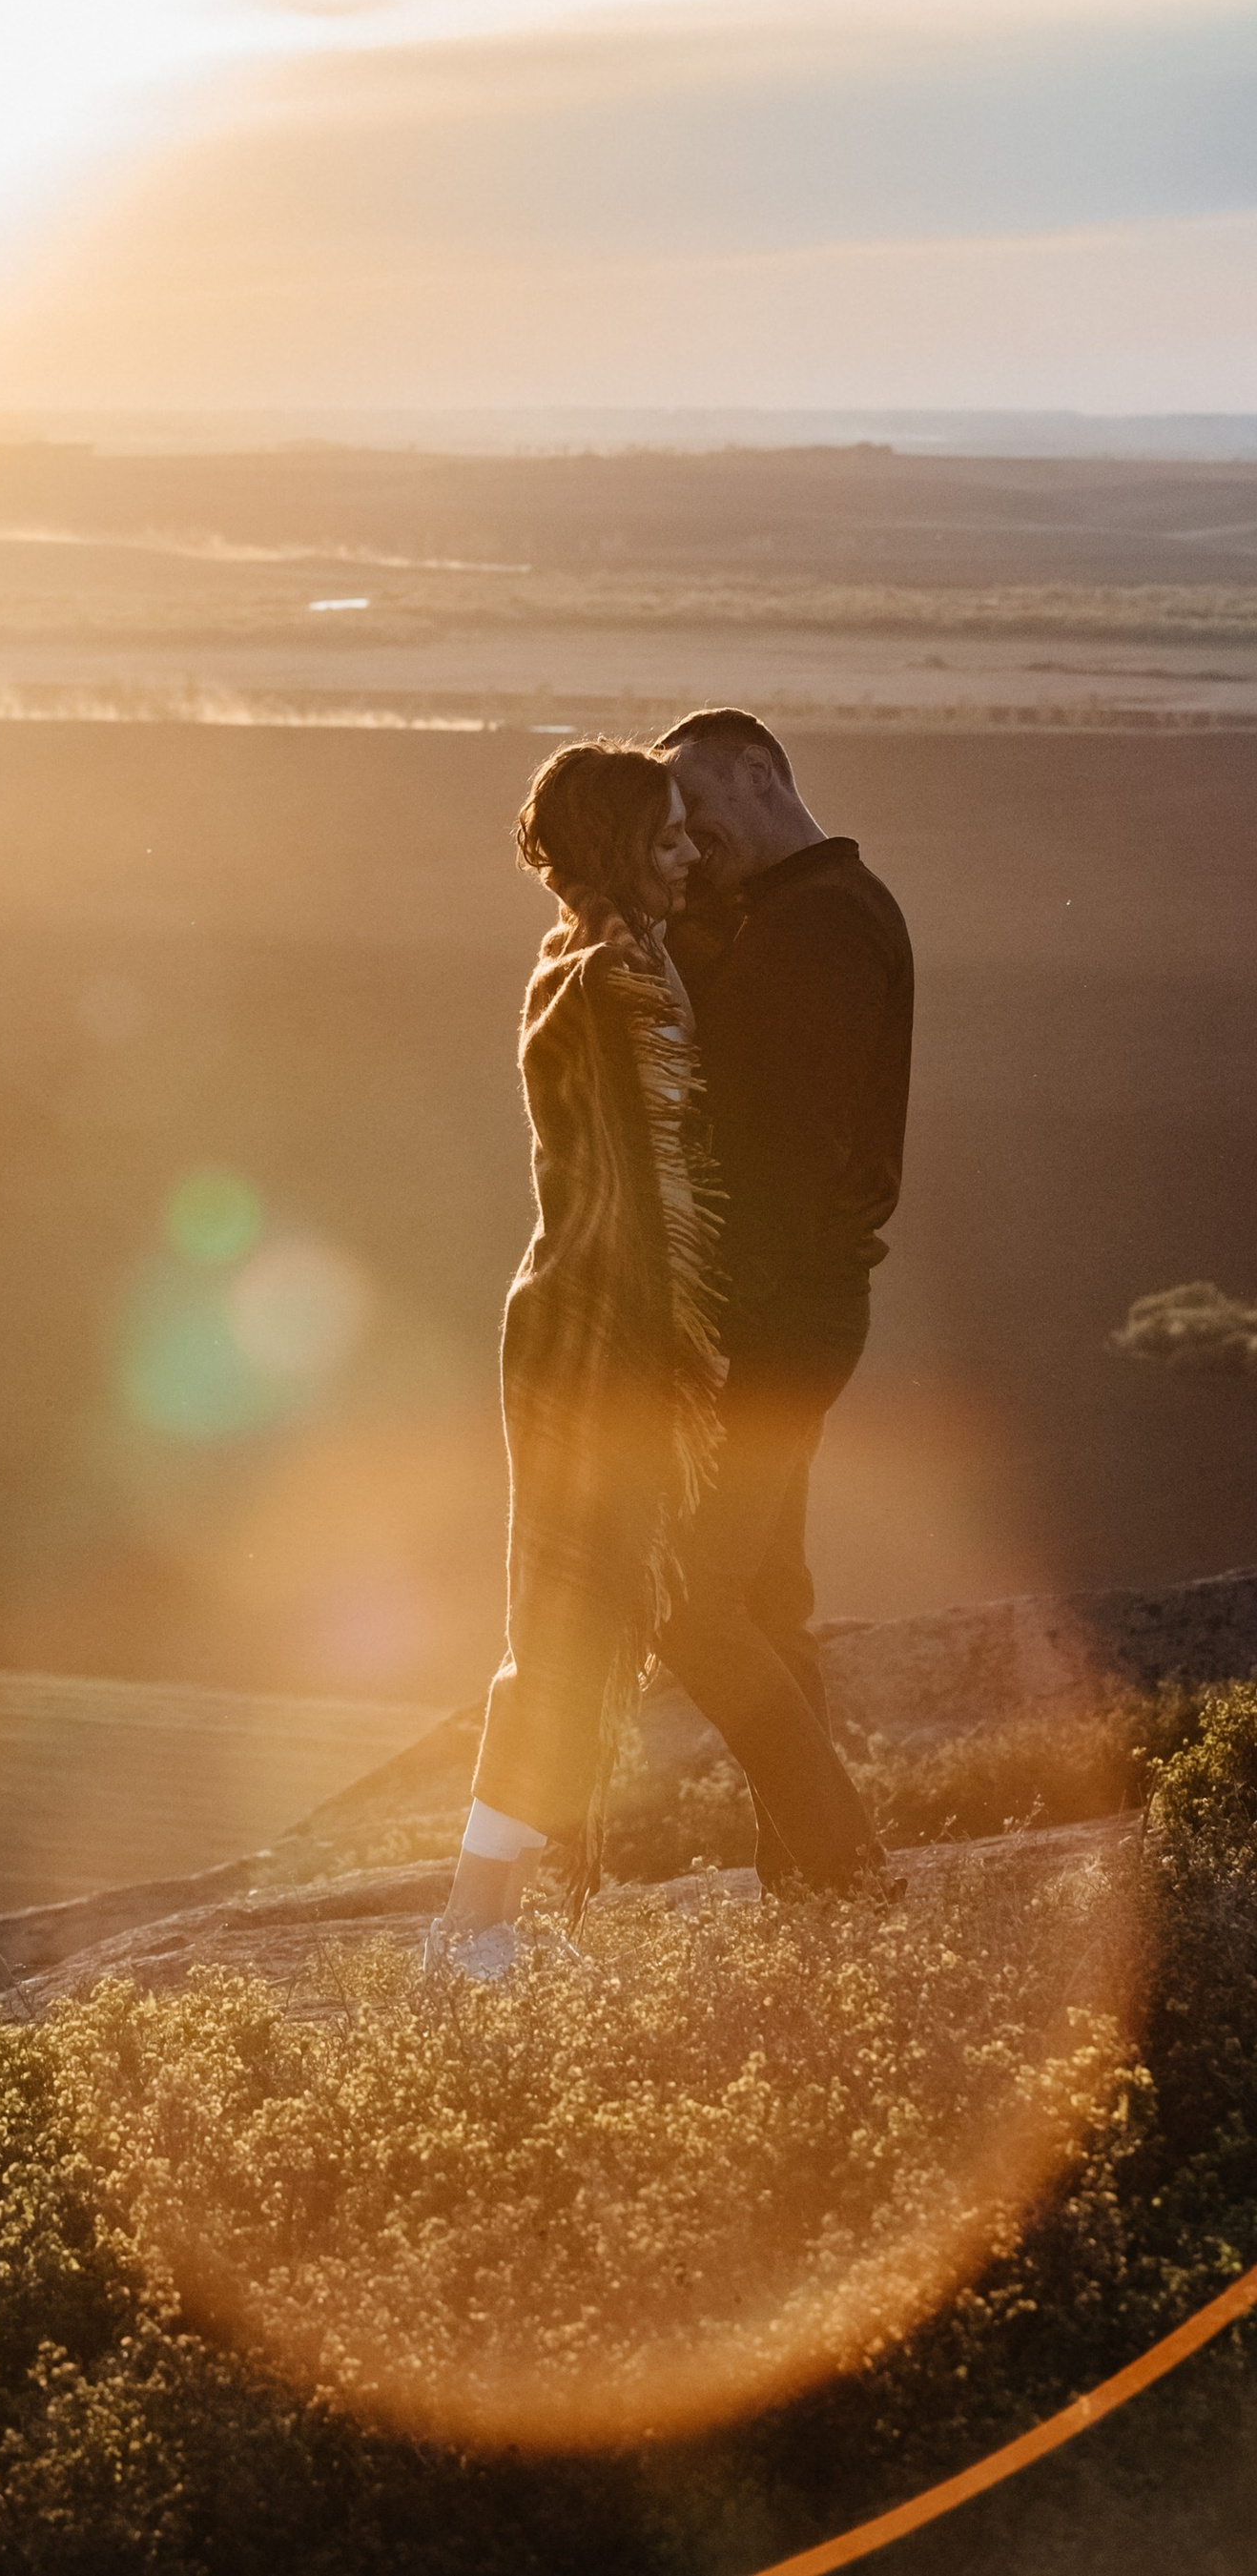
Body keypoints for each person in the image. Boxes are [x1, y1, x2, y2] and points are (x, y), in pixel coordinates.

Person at [429, 741, 726, 1977]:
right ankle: (470, 1925)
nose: (691, 856)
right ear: (614, 848)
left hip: (571, 1324)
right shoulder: (617, 979)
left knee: (569, 1621)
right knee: (561, 1624)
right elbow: (663, 1179)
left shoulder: (580, 957)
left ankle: (498, 1914)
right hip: (598, 1340)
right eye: (666, 838)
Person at [649, 706, 914, 1898]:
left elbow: (785, 1157)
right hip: (791, 1309)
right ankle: (808, 1885)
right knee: (763, 1597)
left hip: (775, 1319)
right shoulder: (793, 915)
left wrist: (717, 1332)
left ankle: (844, 1866)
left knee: (690, 1601)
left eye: (698, 812)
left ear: (759, 772)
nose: (690, 842)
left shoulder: (822, 924)